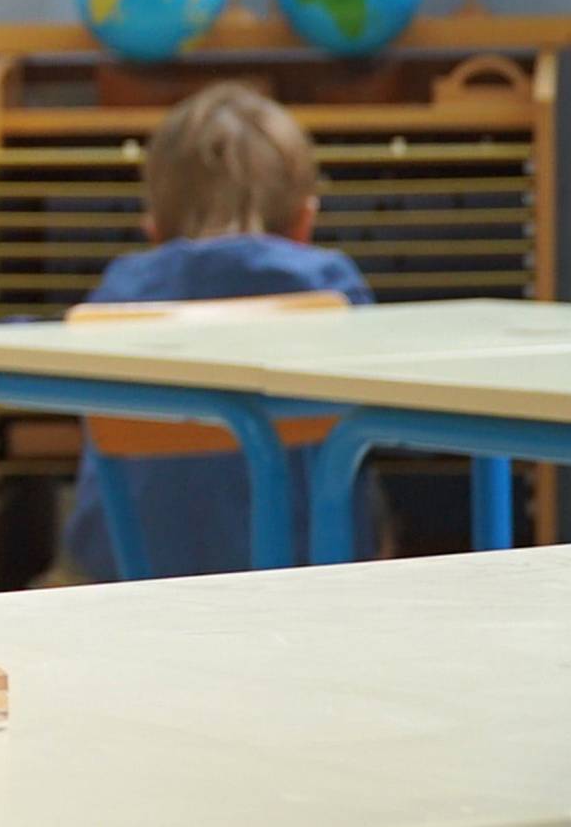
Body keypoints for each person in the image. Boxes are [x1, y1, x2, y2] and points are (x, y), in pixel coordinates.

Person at [59, 81, 374, 582]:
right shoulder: (333, 290)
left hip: (126, 574)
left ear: (154, 228)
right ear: (304, 222)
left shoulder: (119, 292)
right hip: (303, 576)